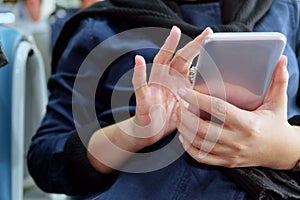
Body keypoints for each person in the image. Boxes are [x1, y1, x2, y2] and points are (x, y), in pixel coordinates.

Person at [27, 0, 300, 199]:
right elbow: (46, 158)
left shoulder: (286, 10)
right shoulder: (99, 28)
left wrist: (284, 147)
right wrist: (133, 132)